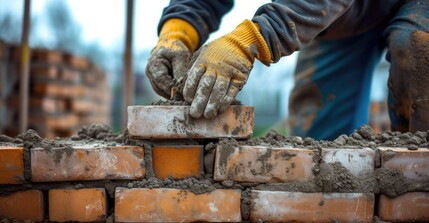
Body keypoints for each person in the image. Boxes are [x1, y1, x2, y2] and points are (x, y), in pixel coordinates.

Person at [145, 0, 429, 140]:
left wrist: (250, 40)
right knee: (320, 159)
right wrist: (179, 31)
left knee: (416, 47)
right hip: (340, 20)